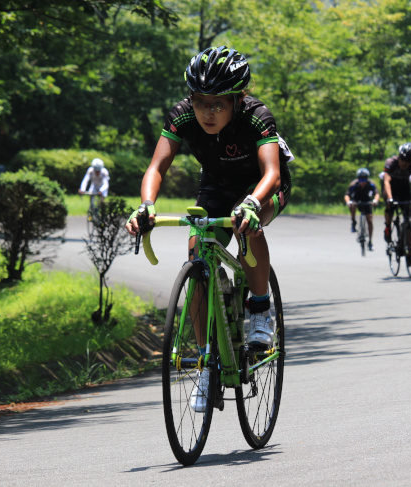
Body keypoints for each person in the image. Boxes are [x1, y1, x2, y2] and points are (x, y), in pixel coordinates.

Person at [125, 46, 293, 411]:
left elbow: (273, 173)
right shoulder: (182, 116)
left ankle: (260, 308)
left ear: (237, 99)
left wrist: (251, 203)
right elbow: (156, 167)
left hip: (261, 186)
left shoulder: (257, 116)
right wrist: (147, 205)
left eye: (218, 103)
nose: (208, 111)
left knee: (249, 227)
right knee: (196, 255)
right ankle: (206, 364)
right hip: (216, 185)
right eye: (201, 101)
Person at [381, 142, 411, 251]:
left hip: (404, 188)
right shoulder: (391, 162)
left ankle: (409, 252)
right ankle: (388, 227)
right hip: (390, 188)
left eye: (408, 160)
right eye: (403, 159)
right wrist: (390, 198)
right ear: (399, 156)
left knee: (408, 219)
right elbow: (386, 181)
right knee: (390, 207)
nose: (405, 163)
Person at [344, 167, 380, 250]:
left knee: (370, 221)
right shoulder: (354, 184)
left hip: (367, 202)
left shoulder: (371, 184)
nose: (362, 182)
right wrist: (348, 202)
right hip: (357, 201)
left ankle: (370, 241)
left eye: (364, 180)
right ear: (358, 179)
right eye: (361, 180)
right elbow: (347, 195)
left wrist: (375, 200)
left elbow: (377, 193)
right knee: (352, 205)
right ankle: (353, 221)